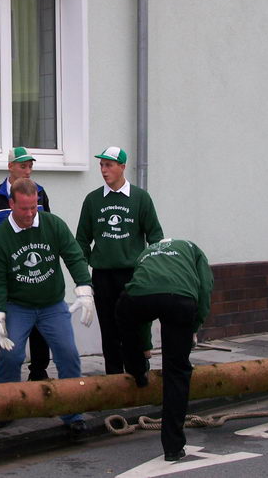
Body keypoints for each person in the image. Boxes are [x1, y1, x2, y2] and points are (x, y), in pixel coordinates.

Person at [0, 178, 95, 434]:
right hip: (17, 305)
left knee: (68, 352)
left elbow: (73, 255)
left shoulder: (52, 224)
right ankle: (6, 407)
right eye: (24, 208)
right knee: (11, 355)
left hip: (51, 304)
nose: (30, 213)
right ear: (11, 204)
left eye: (35, 207)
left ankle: (73, 413)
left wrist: (85, 288)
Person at [115, 238, 213, 462]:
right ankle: (173, 447)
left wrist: (143, 348)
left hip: (139, 298)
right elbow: (205, 288)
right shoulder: (194, 249)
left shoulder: (147, 252)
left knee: (125, 316)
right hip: (180, 300)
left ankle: (138, 372)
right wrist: (194, 328)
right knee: (177, 370)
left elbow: (144, 302)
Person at [75, 146, 163, 375]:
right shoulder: (93, 200)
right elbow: (82, 241)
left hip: (132, 273)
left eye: (109, 165)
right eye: (101, 165)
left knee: (133, 325)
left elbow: (155, 237)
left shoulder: (140, 198)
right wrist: (82, 280)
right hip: (103, 275)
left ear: (122, 166)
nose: (104, 170)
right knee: (109, 327)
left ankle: (137, 372)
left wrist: (152, 272)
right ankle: (113, 377)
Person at [0, 147, 52, 381]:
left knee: (41, 330)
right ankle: (10, 384)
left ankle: (39, 375)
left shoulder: (39, 193)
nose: (28, 170)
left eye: (30, 166)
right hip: (9, 278)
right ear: (10, 167)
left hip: (37, 274)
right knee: (12, 333)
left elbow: (48, 231)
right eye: (23, 166)